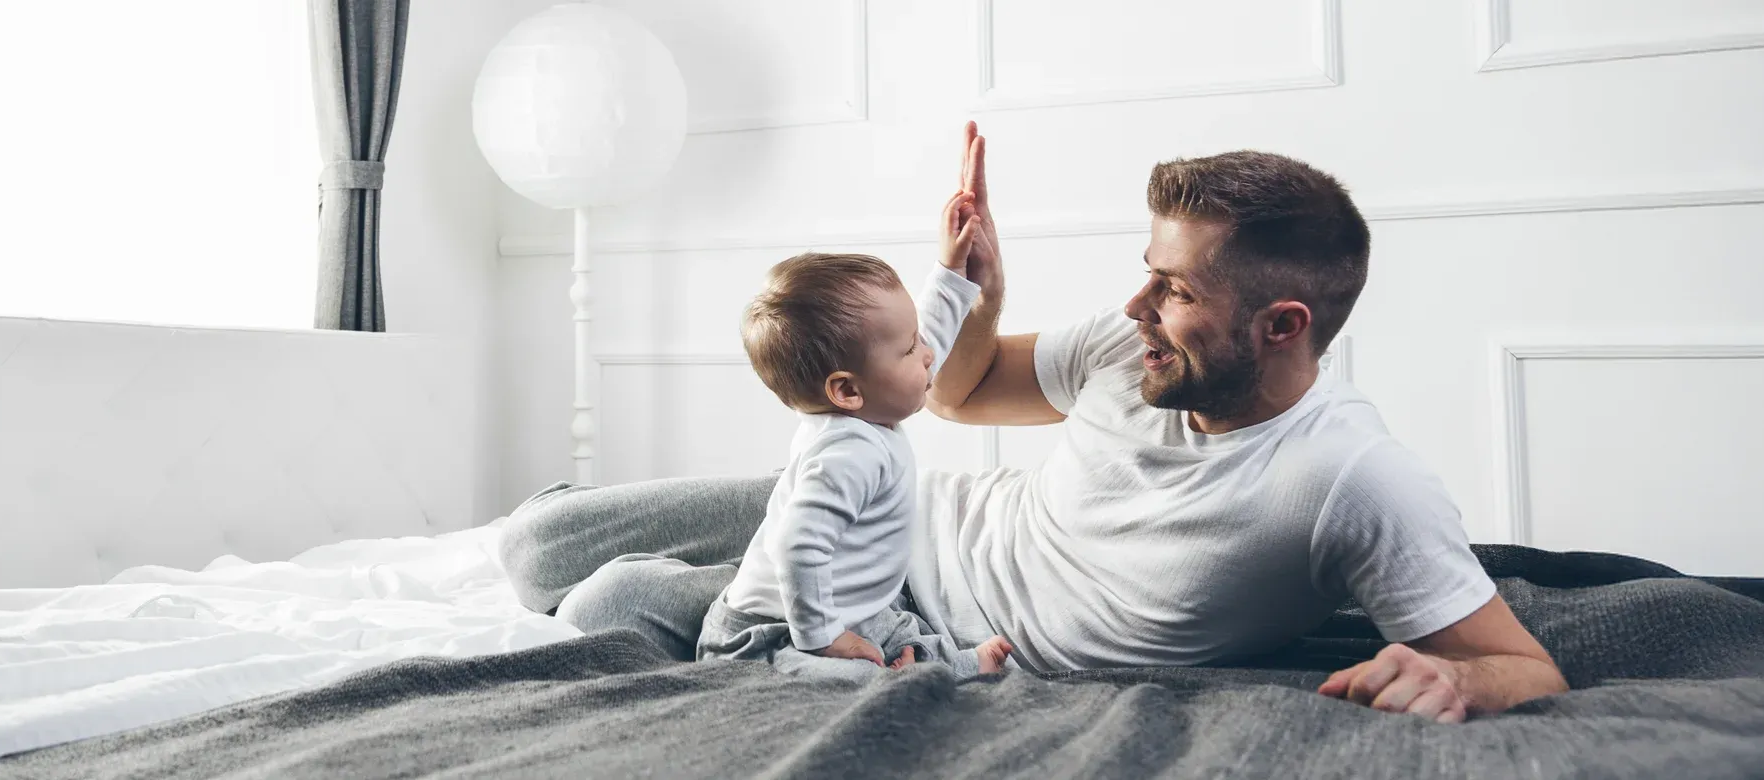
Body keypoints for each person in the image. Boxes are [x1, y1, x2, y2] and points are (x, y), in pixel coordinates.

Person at [500, 123, 1568, 723]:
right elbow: (964, 394)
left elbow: (1526, 667)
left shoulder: (1354, 483)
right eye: (1147, 277)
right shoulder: (1130, 345)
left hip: (930, 635)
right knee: (541, 539)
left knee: (613, 596)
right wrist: (985, 293)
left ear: (1281, 326)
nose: (1137, 307)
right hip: (900, 514)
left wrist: (1461, 674)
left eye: (1176, 292)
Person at [697, 250, 1016, 682]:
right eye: (911, 348)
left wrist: (953, 273)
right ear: (847, 389)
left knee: (895, 628)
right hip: (773, 633)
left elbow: (925, 340)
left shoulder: (862, 412)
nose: (928, 355)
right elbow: (797, 545)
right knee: (853, 677)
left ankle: (928, 662)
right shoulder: (848, 451)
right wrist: (824, 637)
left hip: (846, 610)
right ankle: (933, 670)